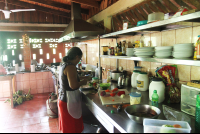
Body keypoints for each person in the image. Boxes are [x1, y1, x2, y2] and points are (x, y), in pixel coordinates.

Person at [58, 47, 89, 133]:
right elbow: (73, 85)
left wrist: (85, 78)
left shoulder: (64, 65)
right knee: (72, 129)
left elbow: (71, 79)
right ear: (76, 56)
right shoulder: (71, 67)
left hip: (64, 99)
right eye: (80, 58)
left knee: (68, 128)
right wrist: (83, 82)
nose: (79, 61)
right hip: (69, 101)